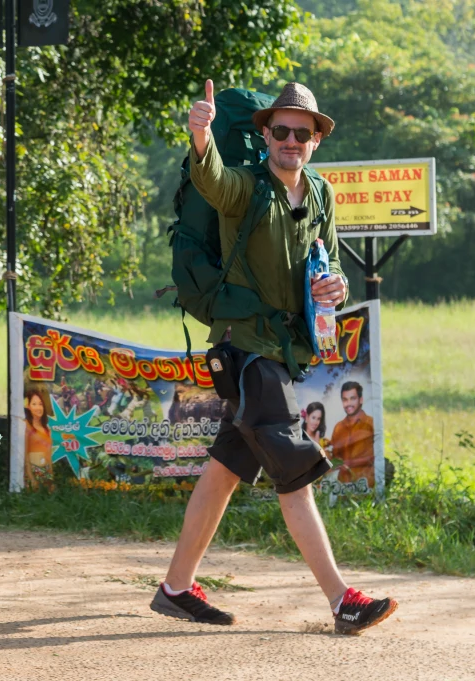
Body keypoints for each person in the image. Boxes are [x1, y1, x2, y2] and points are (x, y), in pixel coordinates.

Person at [150, 81, 397, 635]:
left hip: (282, 350)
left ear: (315, 141)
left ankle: (175, 588)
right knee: (294, 470)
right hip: (246, 348)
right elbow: (212, 179)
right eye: (280, 129)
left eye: (301, 133)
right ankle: (341, 600)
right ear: (264, 135)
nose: (290, 140)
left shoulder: (321, 193)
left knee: (225, 469)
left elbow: (331, 264)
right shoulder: (246, 188)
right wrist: (200, 136)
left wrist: (335, 286)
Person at [330, 381, 375, 486]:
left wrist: (350, 463)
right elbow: (335, 456)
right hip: (343, 487)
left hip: (367, 484)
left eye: (352, 399)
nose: (348, 403)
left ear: (361, 400)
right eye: (345, 400)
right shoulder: (338, 427)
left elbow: (376, 456)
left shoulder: (371, 423)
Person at [24, 387, 54, 489]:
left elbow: (49, 456)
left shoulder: (47, 429)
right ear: (28, 406)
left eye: (40, 404)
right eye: (34, 404)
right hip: (32, 473)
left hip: (45, 474)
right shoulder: (26, 426)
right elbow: (25, 455)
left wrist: (51, 479)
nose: (38, 407)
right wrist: (31, 478)